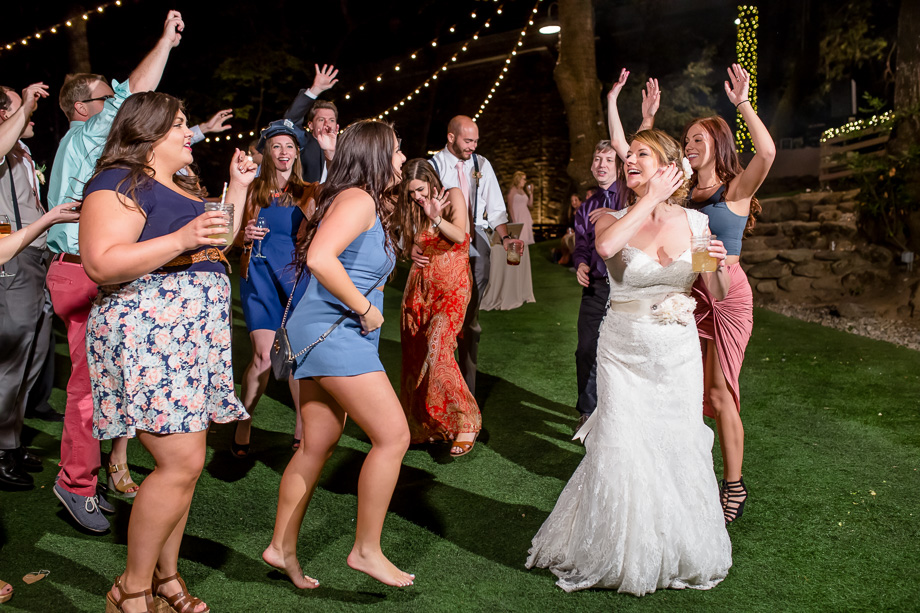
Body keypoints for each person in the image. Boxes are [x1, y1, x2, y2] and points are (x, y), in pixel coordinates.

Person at [527, 129, 732, 594]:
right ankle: (617, 550)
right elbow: (604, 250)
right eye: (629, 156)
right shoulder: (608, 216)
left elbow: (712, 294)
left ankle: (674, 545)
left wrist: (717, 265)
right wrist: (650, 198)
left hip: (677, 353)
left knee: (675, 442)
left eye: (643, 154)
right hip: (622, 351)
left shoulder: (697, 225)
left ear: (668, 165)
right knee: (623, 444)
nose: (630, 161)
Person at [79, 91, 252, 613]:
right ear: (149, 132)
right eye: (179, 124)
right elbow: (101, 262)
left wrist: (239, 190)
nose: (189, 132)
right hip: (149, 334)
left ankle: (166, 579)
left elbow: (218, 241)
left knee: (188, 464)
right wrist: (181, 238)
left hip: (187, 340)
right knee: (178, 462)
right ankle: (130, 587)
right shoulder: (117, 182)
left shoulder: (177, 187)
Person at [45, 10, 186, 533]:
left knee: (100, 384)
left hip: (79, 270)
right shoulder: (81, 136)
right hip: (80, 273)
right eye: (107, 96)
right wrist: (166, 42)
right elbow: (137, 94)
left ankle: (88, 477)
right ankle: (75, 483)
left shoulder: (88, 147)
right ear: (83, 108)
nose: (117, 101)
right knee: (86, 388)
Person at [262, 120, 415, 589]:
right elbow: (320, 258)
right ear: (374, 155)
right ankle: (366, 550)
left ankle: (280, 547)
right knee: (393, 437)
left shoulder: (367, 201)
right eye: (396, 151)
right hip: (335, 331)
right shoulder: (358, 199)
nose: (403, 160)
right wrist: (366, 308)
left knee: (317, 444)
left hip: (332, 329)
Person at [681, 64, 775, 522]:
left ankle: (733, 486)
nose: (690, 145)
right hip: (690, 295)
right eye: (687, 139)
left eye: (699, 139)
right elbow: (633, 163)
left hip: (727, 296)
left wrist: (741, 102)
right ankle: (689, 476)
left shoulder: (734, 190)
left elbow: (768, 151)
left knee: (720, 395)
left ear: (717, 144)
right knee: (689, 391)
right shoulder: (682, 195)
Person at [233, 119, 323, 456]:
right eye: (276, 146)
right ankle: (244, 420)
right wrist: (243, 235)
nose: (283, 152)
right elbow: (228, 231)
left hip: (298, 279)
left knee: (298, 357)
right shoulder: (251, 188)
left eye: (289, 146)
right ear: (267, 153)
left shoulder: (311, 190)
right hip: (259, 278)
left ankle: (301, 425)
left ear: (297, 152)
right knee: (263, 359)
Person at [427, 115, 521, 396]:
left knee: (470, 315)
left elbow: (495, 207)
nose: (473, 146)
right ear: (451, 137)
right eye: (468, 140)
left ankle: (467, 388)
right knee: (442, 313)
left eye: (476, 140)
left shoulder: (481, 164)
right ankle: (439, 381)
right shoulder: (433, 166)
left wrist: (504, 238)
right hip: (443, 238)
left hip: (477, 239)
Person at [396, 158, 480, 456]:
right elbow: (410, 241)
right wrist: (412, 248)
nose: (417, 197)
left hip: (453, 287)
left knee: (438, 344)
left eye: (420, 189)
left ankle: (466, 421)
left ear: (431, 182)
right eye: (411, 194)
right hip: (419, 288)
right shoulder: (413, 207)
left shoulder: (452, 194)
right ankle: (429, 425)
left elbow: (461, 237)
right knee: (416, 355)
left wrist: (435, 217)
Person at [0, 82, 61, 490]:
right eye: (24, 108)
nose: (33, 112)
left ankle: (13, 440)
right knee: (10, 364)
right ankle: (1, 451)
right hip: (13, 260)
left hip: (36, 259)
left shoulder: (20, 151)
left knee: (33, 359)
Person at [283, 64, 340, 182]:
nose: (326, 124)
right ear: (310, 125)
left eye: (331, 120)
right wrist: (315, 90)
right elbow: (289, 121)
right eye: (321, 119)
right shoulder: (303, 141)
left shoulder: (346, 148)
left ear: (337, 126)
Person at [507, 171, 534, 244]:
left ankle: (525, 254)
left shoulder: (523, 191)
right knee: (519, 238)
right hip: (517, 216)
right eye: (523, 179)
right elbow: (510, 206)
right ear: (518, 179)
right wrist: (514, 220)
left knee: (526, 239)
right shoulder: (513, 190)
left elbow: (530, 204)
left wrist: (530, 193)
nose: (525, 181)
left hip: (525, 216)